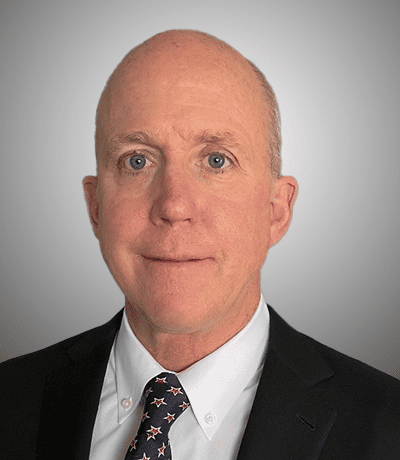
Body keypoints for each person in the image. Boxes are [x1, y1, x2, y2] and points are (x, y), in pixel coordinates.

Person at [1, 29, 399, 460]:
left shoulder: (387, 426)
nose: (173, 205)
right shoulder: (10, 401)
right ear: (96, 206)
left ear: (275, 211)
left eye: (216, 160)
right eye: (137, 161)